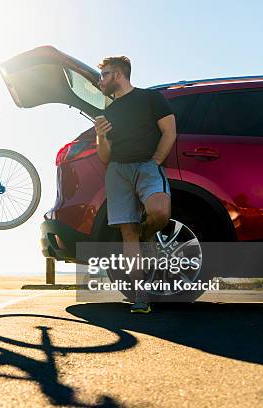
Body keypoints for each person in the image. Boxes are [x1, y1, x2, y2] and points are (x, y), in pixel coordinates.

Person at [94, 56, 176, 314]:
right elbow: (104, 156)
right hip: (117, 170)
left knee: (161, 211)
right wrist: (101, 136)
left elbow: (169, 132)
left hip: (147, 166)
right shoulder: (108, 111)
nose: (100, 81)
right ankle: (140, 294)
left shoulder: (151, 99)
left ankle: (148, 234)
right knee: (127, 233)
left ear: (118, 74)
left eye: (104, 75)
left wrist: (155, 162)